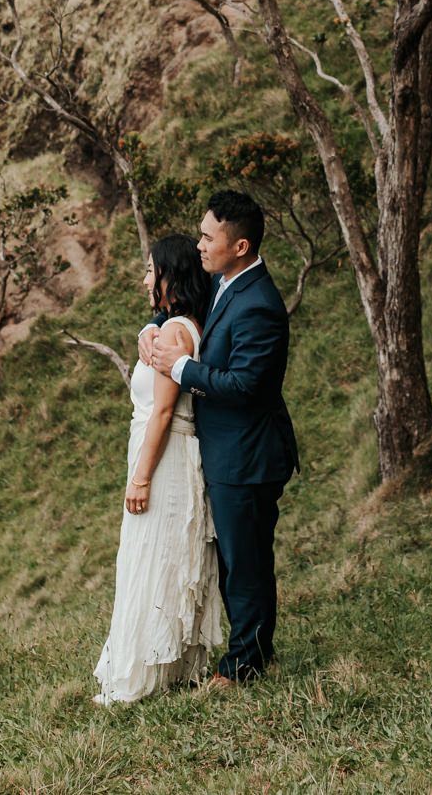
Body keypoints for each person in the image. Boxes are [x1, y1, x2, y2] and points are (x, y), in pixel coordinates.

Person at [143, 188, 299, 688]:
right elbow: (180, 303)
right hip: (224, 453)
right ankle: (252, 650)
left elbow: (248, 386)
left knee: (245, 563)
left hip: (248, 456)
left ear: (241, 245)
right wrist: (151, 328)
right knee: (236, 559)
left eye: (209, 237)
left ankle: (244, 665)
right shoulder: (223, 283)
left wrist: (184, 368)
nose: (200, 245)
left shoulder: (261, 306)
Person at [92, 236, 224, 704]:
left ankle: (146, 675)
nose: (145, 280)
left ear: (170, 276)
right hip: (161, 452)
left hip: (163, 458)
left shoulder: (174, 333)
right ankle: (165, 666)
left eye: (151, 271)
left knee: (152, 558)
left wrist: (141, 477)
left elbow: (164, 413)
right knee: (158, 558)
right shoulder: (176, 325)